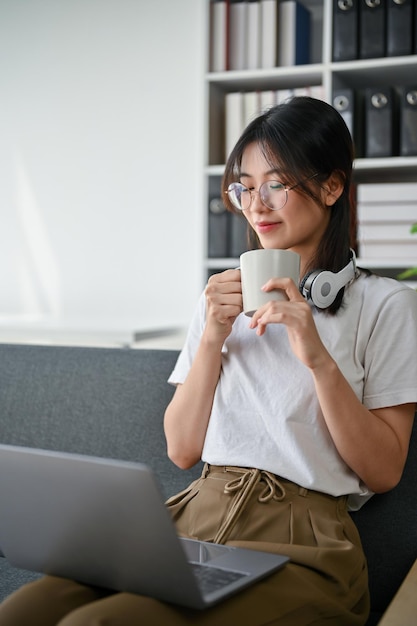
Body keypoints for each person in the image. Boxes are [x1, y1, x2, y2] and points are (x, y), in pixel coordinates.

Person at [1, 96, 417, 626]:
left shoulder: (386, 305)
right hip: (196, 516)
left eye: (277, 183)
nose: (256, 204)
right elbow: (181, 449)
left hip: (305, 544)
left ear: (332, 186)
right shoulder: (221, 299)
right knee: (25, 610)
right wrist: (211, 339)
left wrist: (317, 359)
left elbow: (383, 471)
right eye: (244, 186)